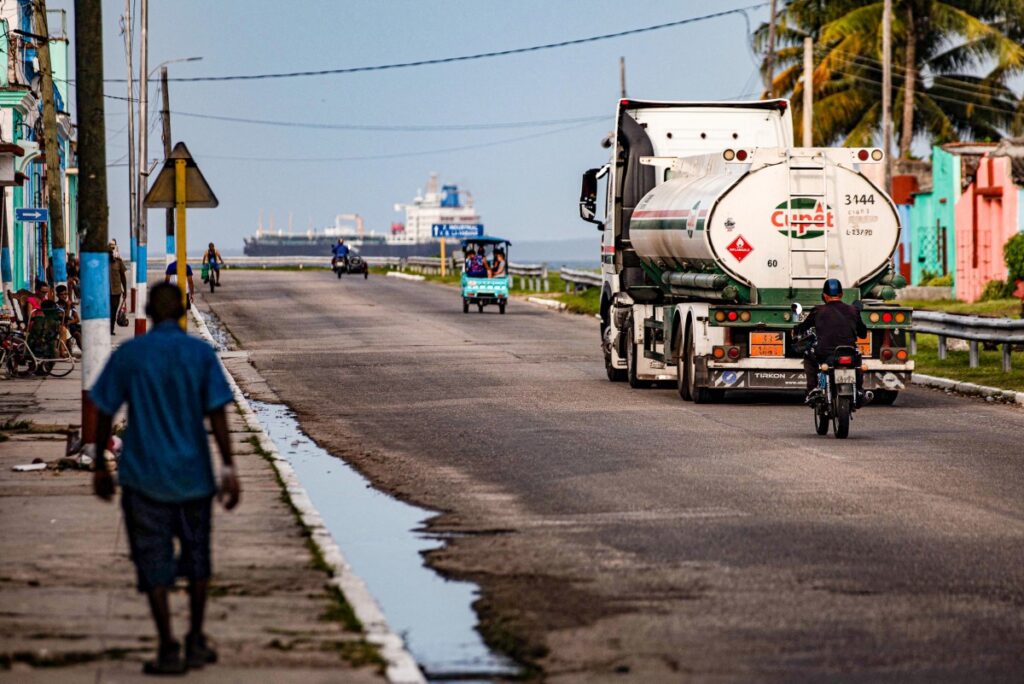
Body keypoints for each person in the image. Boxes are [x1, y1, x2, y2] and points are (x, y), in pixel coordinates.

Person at [91, 283, 240, 675]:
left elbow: (104, 406)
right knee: (198, 560)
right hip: (194, 477)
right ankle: (195, 640)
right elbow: (219, 415)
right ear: (181, 310)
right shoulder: (199, 353)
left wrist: (99, 467)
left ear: (148, 311)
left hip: (143, 478)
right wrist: (229, 468)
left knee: (153, 562)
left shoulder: (132, 355)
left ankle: (167, 647)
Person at [794, 279, 868, 404]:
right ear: (842, 294)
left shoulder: (818, 310)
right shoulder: (853, 310)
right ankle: (859, 390)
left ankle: (812, 390)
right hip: (848, 352)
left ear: (824, 296)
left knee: (808, 356)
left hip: (825, 354)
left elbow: (803, 327)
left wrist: (796, 331)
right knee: (857, 358)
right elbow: (863, 334)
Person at [55, 284, 82, 351]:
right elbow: (65, 318)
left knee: (83, 331)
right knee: (77, 334)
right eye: (62, 294)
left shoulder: (71, 305)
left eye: (65, 294)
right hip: (61, 325)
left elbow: (77, 319)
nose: (64, 296)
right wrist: (68, 307)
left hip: (71, 325)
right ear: (57, 295)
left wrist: (70, 322)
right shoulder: (56, 306)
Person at [109, 242, 128, 335]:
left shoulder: (118, 262)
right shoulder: (102, 263)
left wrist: (125, 290)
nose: (110, 254)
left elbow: (123, 277)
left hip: (116, 292)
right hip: (105, 292)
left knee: (113, 311)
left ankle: (111, 329)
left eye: (111, 252)